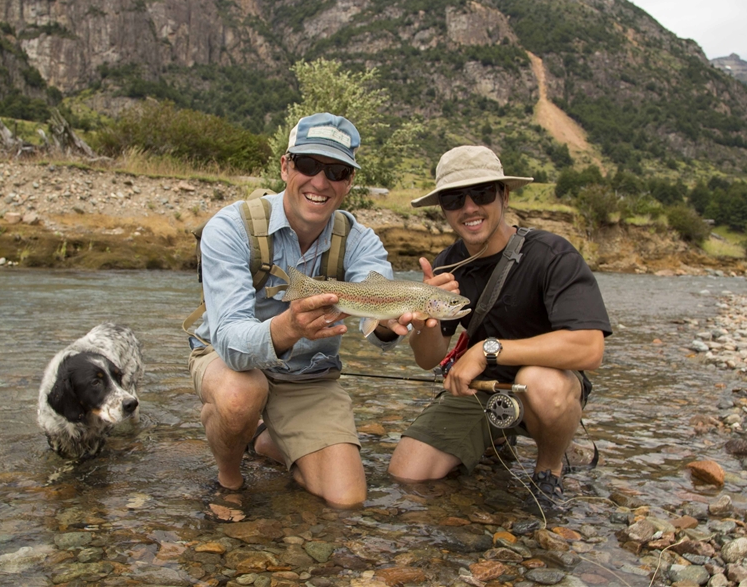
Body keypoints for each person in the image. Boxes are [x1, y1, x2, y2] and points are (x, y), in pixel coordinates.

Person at [188, 113, 416, 508]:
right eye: (308, 165)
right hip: (230, 361)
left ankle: (264, 438)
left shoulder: (361, 242)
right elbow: (229, 343)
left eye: (337, 171)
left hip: (308, 374)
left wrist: (388, 323)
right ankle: (229, 482)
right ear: (285, 166)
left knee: (346, 500)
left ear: (349, 181)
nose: (321, 182)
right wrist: (289, 328)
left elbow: (378, 314)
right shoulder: (230, 227)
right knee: (242, 394)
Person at [387, 145, 611, 507]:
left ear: (504, 195)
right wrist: (426, 316)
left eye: (482, 193)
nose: (469, 207)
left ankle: (548, 470)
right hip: (480, 390)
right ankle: (496, 439)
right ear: (443, 208)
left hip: (548, 390)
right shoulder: (447, 265)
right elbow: (428, 360)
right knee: (407, 474)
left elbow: (590, 348)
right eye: (454, 199)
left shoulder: (553, 255)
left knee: (540, 382)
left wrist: (486, 350)